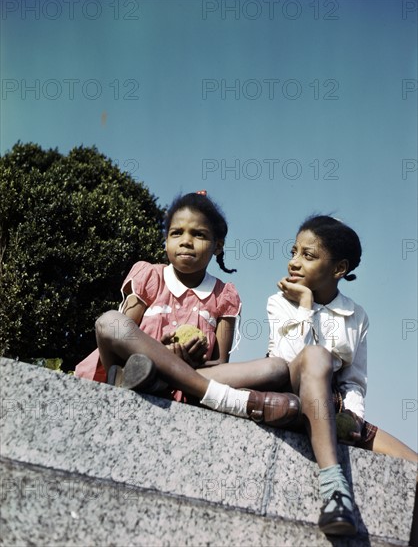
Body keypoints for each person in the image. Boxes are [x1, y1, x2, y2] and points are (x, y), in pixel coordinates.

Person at [75, 192, 300, 428]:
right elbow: (118, 340)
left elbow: (221, 361)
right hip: (135, 368)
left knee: (276, 368)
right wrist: (160, 351)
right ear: (166, 240)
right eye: (176, 233)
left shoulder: (224, 295)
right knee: (109, 321)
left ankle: (163, 384)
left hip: (196, 374)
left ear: (218, 246)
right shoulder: (150, 275)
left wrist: (192, 360)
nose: (185, 241)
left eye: (199, 234)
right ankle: (231, 400)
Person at [266, 214, 417, 536]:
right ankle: (334, 490)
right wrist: (305, 306)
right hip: (289, 392)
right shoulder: (280, 302)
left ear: (339, 269)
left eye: (308, 255)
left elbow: (354, 381)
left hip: (333, 407)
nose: (294, 262)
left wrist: (352, 417)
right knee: (315, 357)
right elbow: (286, 359)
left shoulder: (356, 315)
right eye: (293, 251)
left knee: (412, 463)